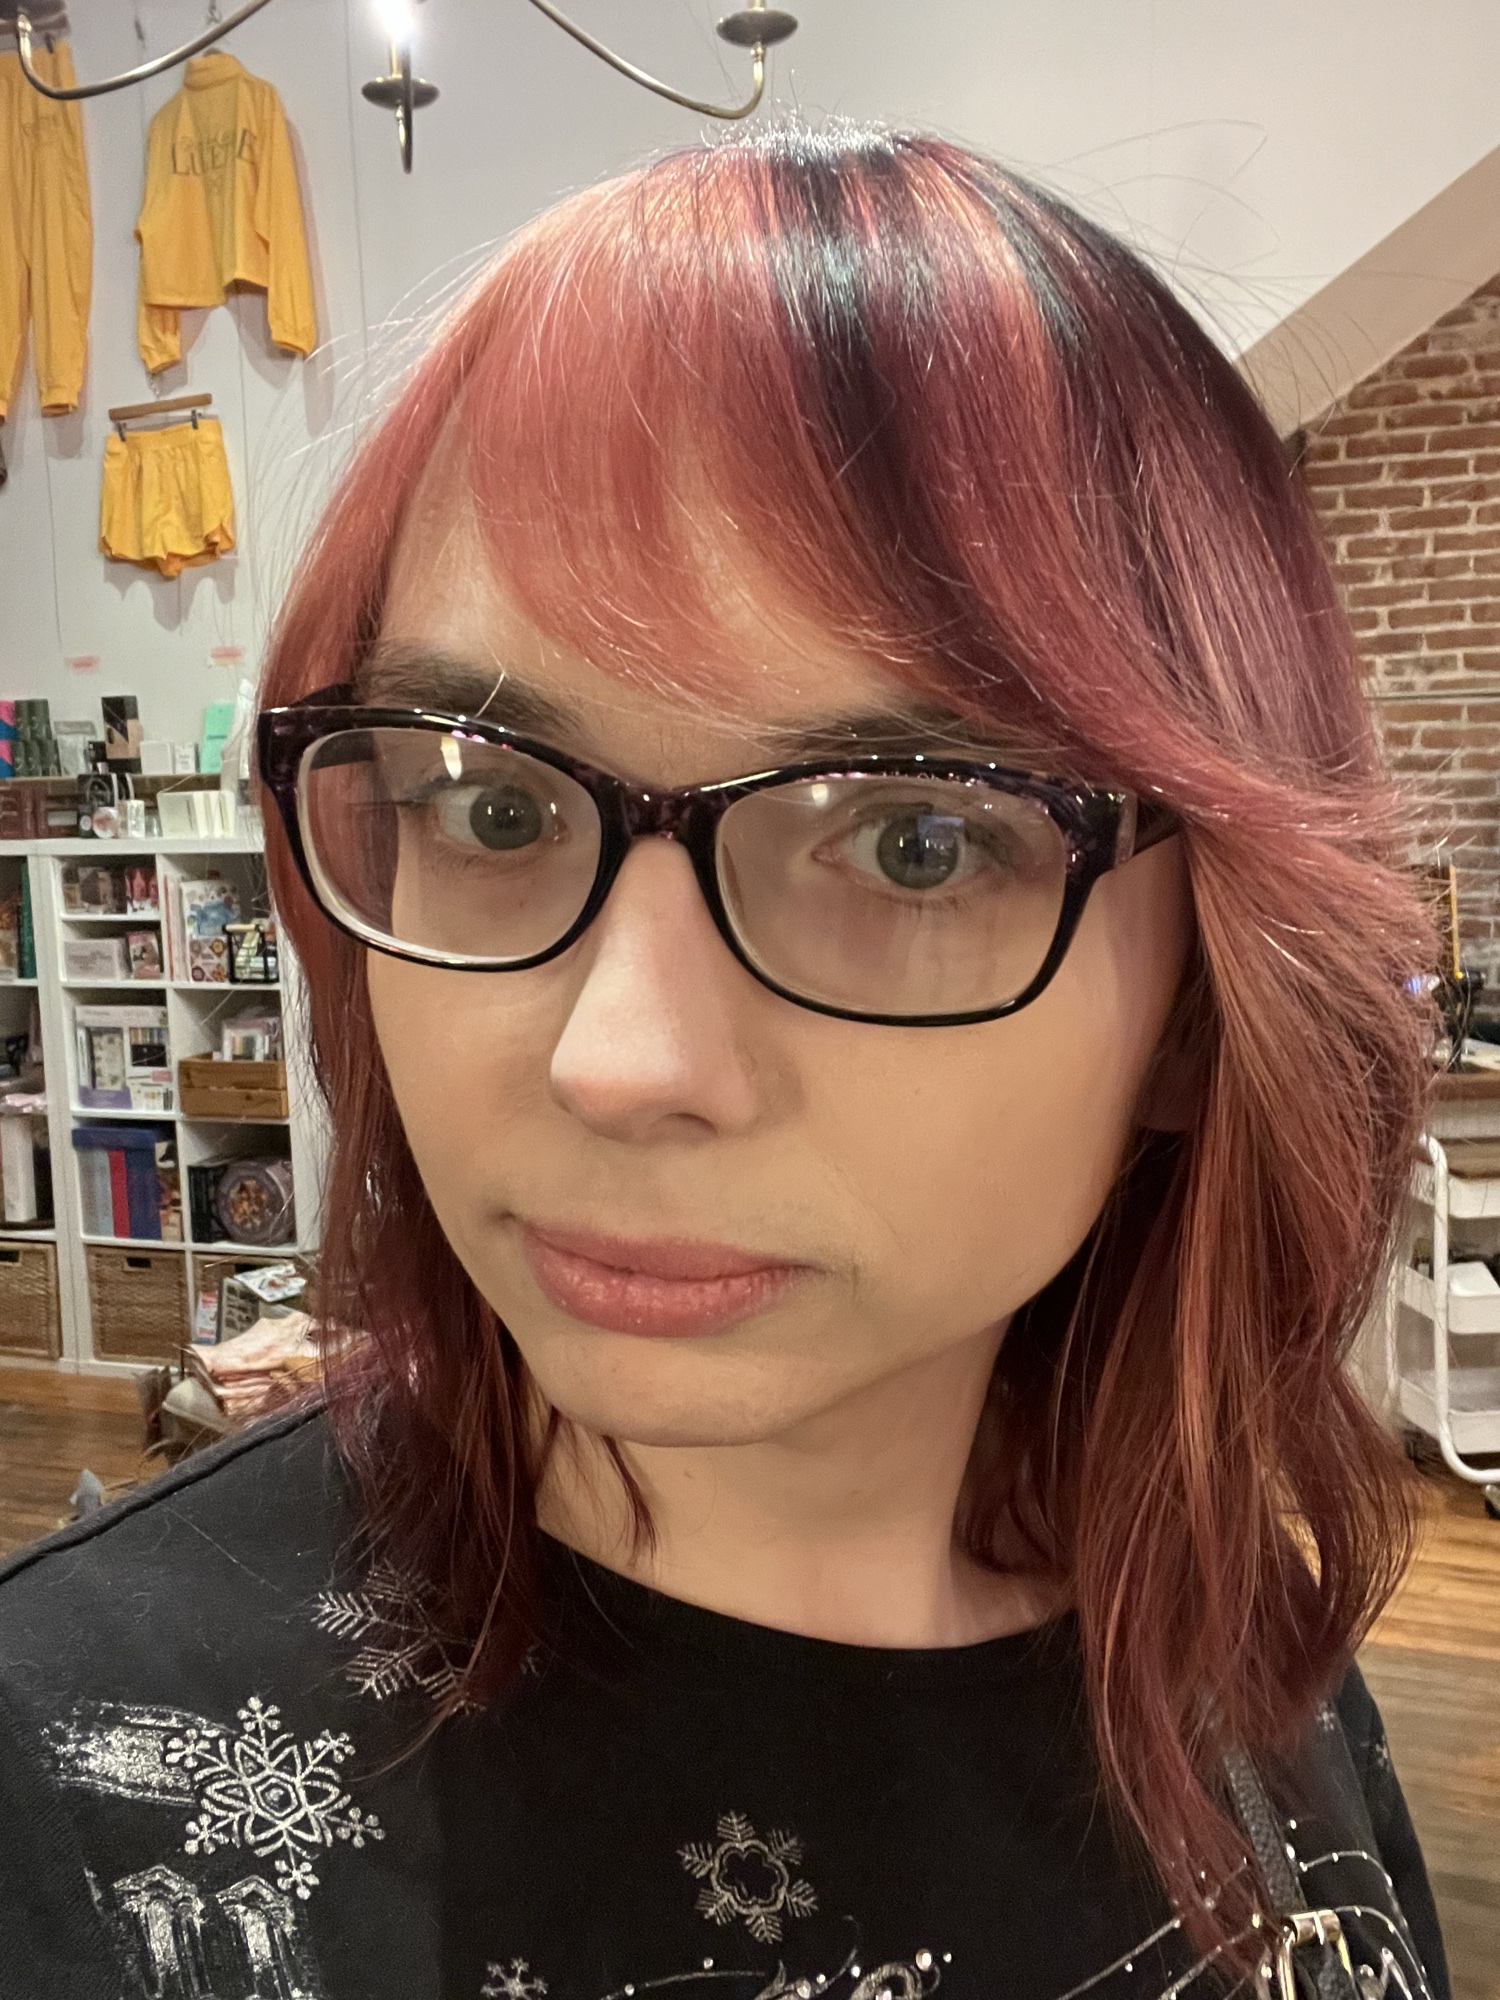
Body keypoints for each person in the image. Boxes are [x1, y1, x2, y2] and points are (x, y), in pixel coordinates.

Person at [0, 125, 1450, 2000]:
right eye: (492, 807)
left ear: (1201, 997)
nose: (620, 1062)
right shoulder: (71, 1792)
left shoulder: (1237, 1630)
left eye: (916, 841)